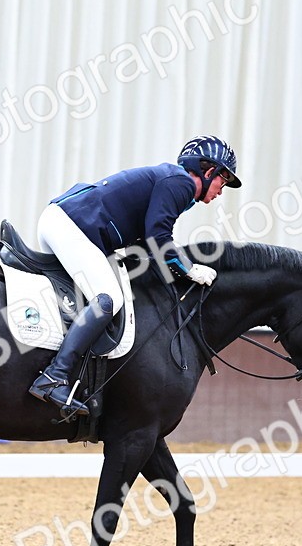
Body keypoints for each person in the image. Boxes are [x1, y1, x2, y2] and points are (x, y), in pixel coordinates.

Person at [28, 135, 242, 418]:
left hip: (65, 222)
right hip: (71, 226)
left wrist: (175, 275)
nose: (221, 191)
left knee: (89, 297)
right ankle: (54, 375)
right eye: (222, 180)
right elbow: (158, 237)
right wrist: (190, 269)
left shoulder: (173, 183)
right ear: (208, 170)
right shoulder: (181, 183)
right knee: (108, 298)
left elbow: (145, 246)